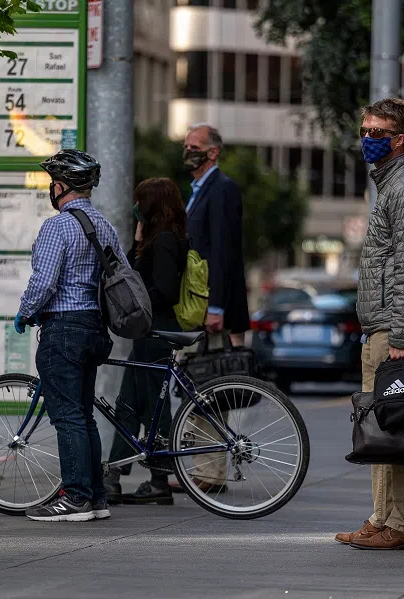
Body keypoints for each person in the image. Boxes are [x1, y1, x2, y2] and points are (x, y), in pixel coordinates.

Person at [336, 98, 404, 550]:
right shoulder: (391, 185)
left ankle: (403, 525)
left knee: (399, 431)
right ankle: (383, 518)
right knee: (381, 430)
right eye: (364, 131)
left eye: (376, 133)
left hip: (392, 333)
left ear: (399, 139)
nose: (367, 140)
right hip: (380, 327)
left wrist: (401, 337)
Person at [15, 149, 126, 522]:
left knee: (67, 417)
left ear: (60, 186)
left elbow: (44, 281)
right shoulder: (106, 226)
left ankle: (75, 498)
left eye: (52, 184)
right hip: (96, 328)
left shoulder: (57, 227)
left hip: (63, 329)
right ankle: (96, 497)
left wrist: (25, 311)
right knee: (83, 415)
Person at [103, 178, 189, 506]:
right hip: (149, 331)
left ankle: (156, 476)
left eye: (140, 201)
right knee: (131, 401)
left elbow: (160, 288)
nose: (135, 207)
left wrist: (140, 301)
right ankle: (117, 474)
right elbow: (129, 269)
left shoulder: (165, 240)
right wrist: (139, 238)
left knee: (153, 404)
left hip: (157, 329)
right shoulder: (159, 238)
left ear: (152, 204)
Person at [180, 124, 249, 492]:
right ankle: (199, 469)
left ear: (212, 152)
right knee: (197, 388)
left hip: (212, 310)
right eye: (185, 145)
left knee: (209, 388)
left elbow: (222, 252)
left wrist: (217, 307)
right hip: (200, 307)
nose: (187, 151)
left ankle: (210, 473)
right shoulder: (198, 190)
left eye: (194, 146)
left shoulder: (221, 189)